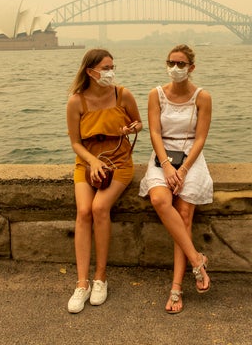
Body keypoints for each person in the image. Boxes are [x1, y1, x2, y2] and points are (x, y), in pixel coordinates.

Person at [66, 48, 142, 313]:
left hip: (118, 163)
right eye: (105, 68)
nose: (110, 73)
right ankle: (81, 283)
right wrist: (93, 162)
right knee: (84, 211)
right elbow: (75, 142)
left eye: (112, 67)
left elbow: (139, 124)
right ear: (90, 72)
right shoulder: (76, 101)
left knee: (100, 208)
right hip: (87, 164)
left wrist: (131, 128)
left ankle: (100, 278)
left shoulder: (123, 94)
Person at [139, 44, 213, 314]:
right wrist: (169, 167)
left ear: (191, 67)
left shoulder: (202, 97)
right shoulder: (155, 94)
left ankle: (176, 286)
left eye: (181, 64)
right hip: (163, 156)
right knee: (160, 199)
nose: (175, 68)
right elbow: (155, 134)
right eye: (171, 62)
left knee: (184, 213)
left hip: (191, 158)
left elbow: (201, 138)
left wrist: (183, 170)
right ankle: (197, 260)